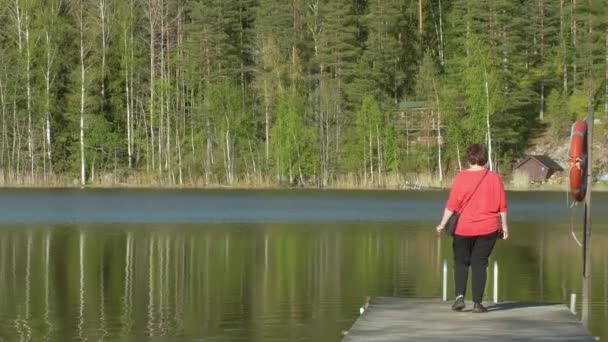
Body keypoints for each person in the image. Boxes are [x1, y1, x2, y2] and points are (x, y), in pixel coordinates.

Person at [436, 144, 508, 313]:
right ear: (485, 158)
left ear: (469, 158)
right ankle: (477, 303)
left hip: (463, 228)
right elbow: (502, 207)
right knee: (480, 264)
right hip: (488, 228)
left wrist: (442, 223)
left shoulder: (461, 177)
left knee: (461, 262)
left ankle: (459, 298)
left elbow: (452, 205)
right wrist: (504, 227)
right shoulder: (495, 178)